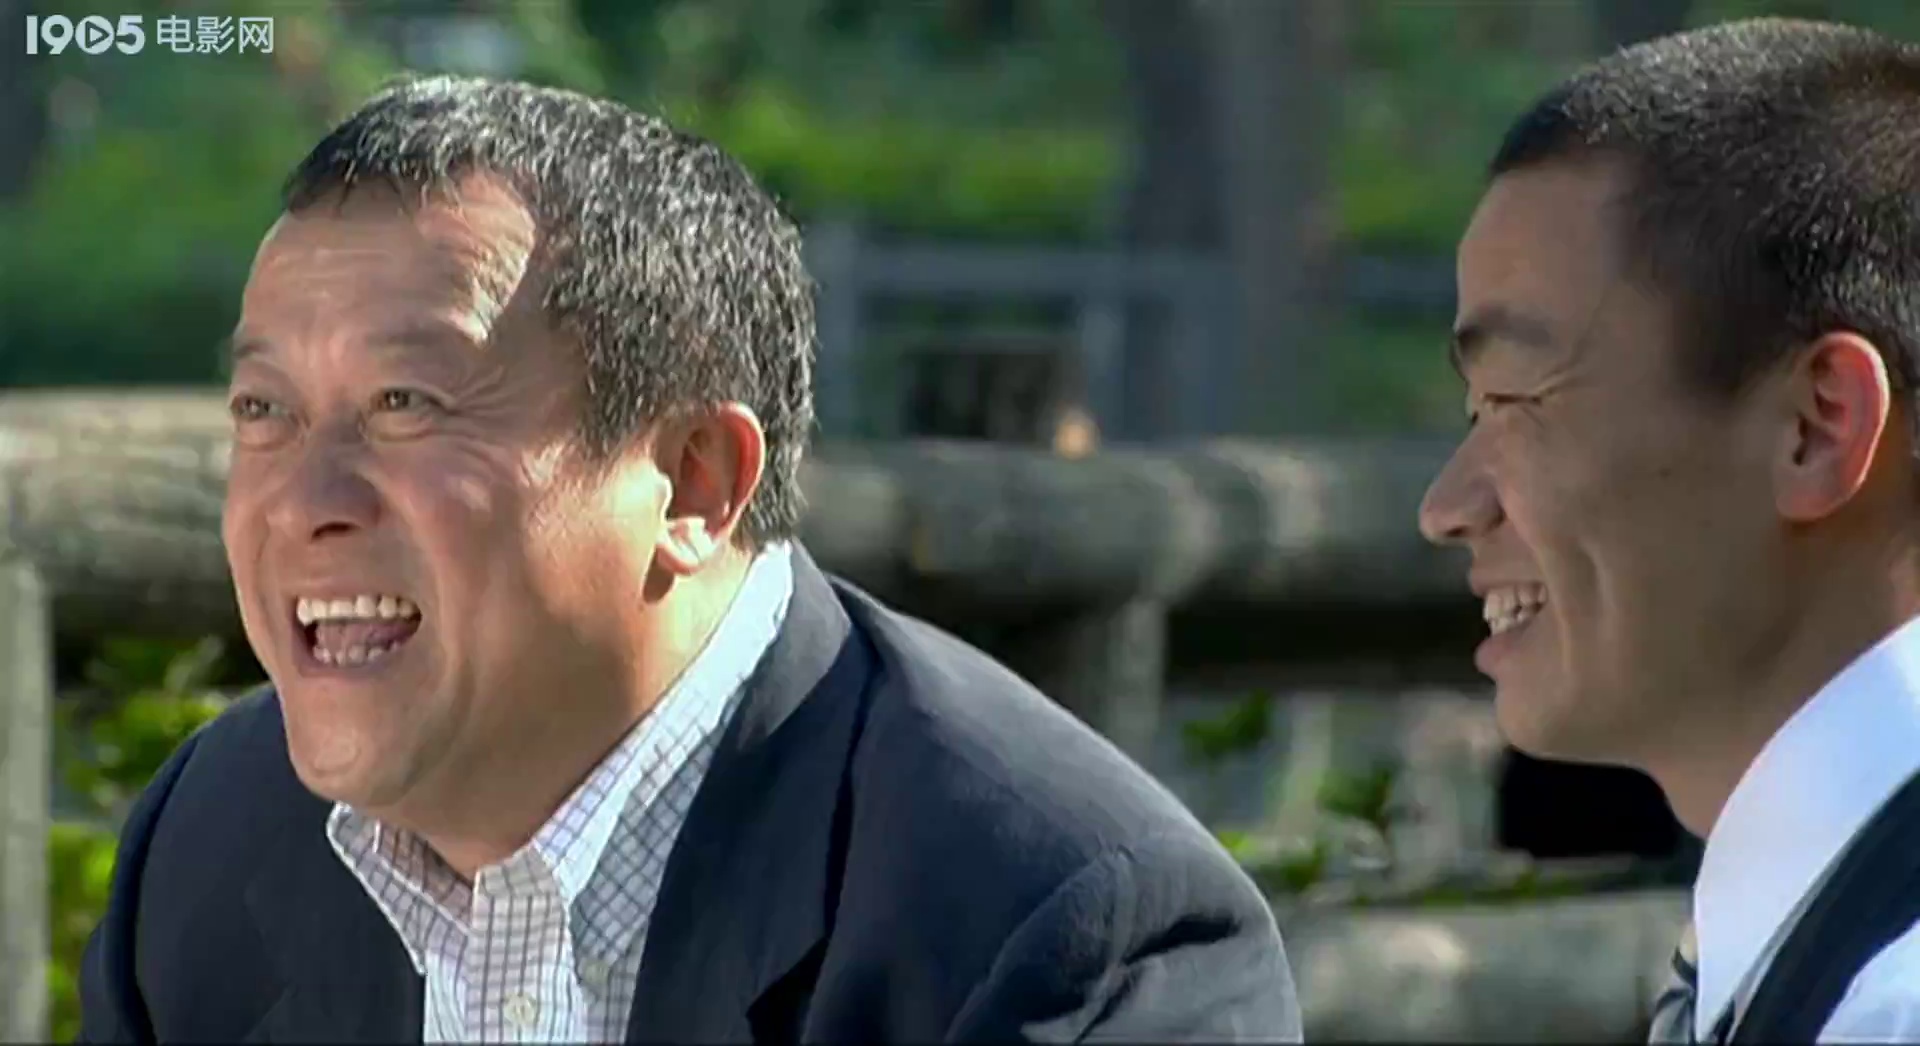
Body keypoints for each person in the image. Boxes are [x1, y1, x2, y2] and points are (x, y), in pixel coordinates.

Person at [75, 76, 1299, 1043]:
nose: (303, 501)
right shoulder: (211, 841)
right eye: (263, 410)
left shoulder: (1062, 929)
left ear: (696, 481)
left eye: (405, 403)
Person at [1419, 17, 1920, 1044]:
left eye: (1516, 398)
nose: (1448, 507)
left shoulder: (1892, 1001)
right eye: (1474, 409)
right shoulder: (1816, 932)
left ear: (1817, 426)